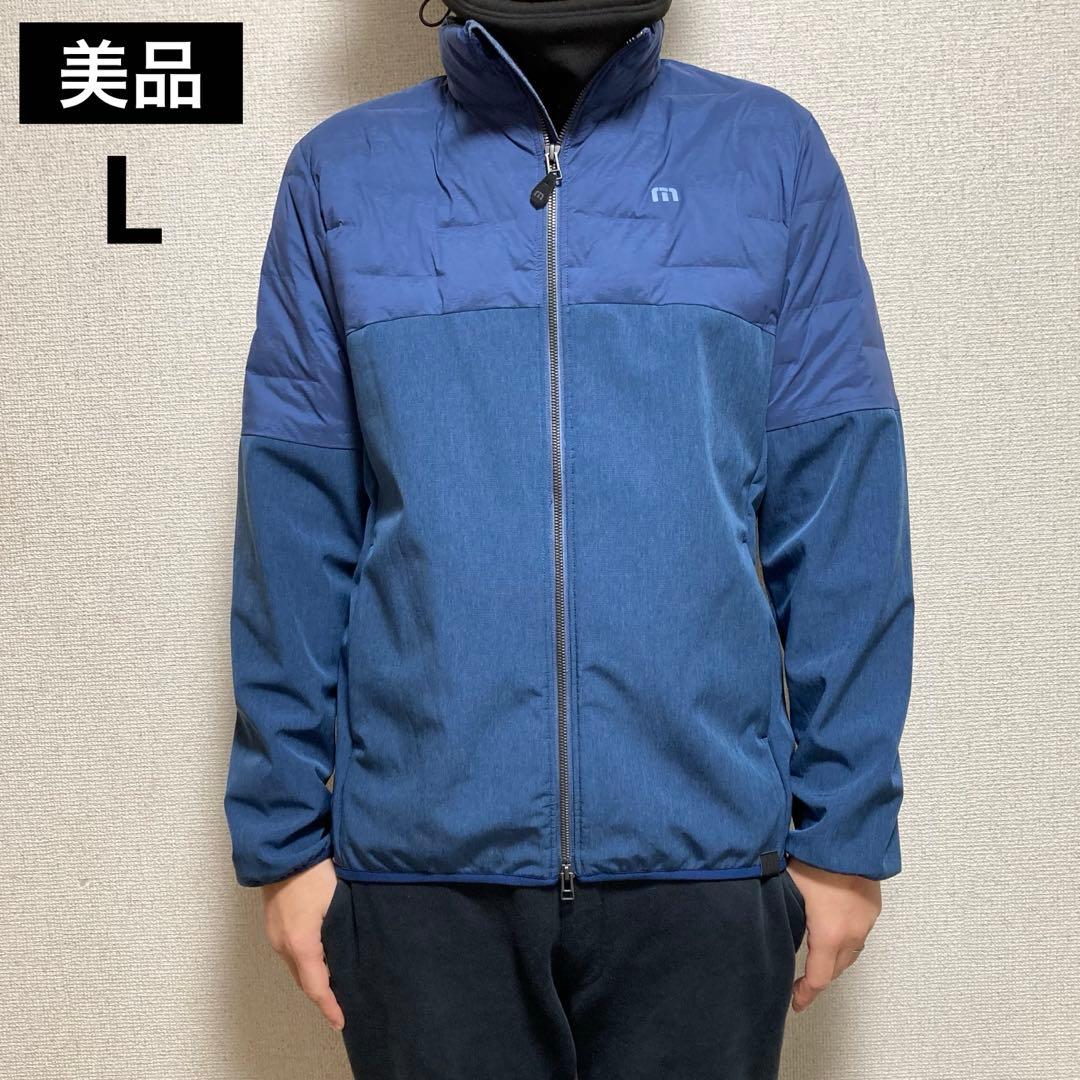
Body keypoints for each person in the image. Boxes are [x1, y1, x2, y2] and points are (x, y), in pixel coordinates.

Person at [223, 0, 914, 1076]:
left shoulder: (770, 156)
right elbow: (294, 521)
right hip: (422, 880)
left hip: (704, 871)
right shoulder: (340, 175)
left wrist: (843, 838)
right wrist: (283, 845)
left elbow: (841, 507)